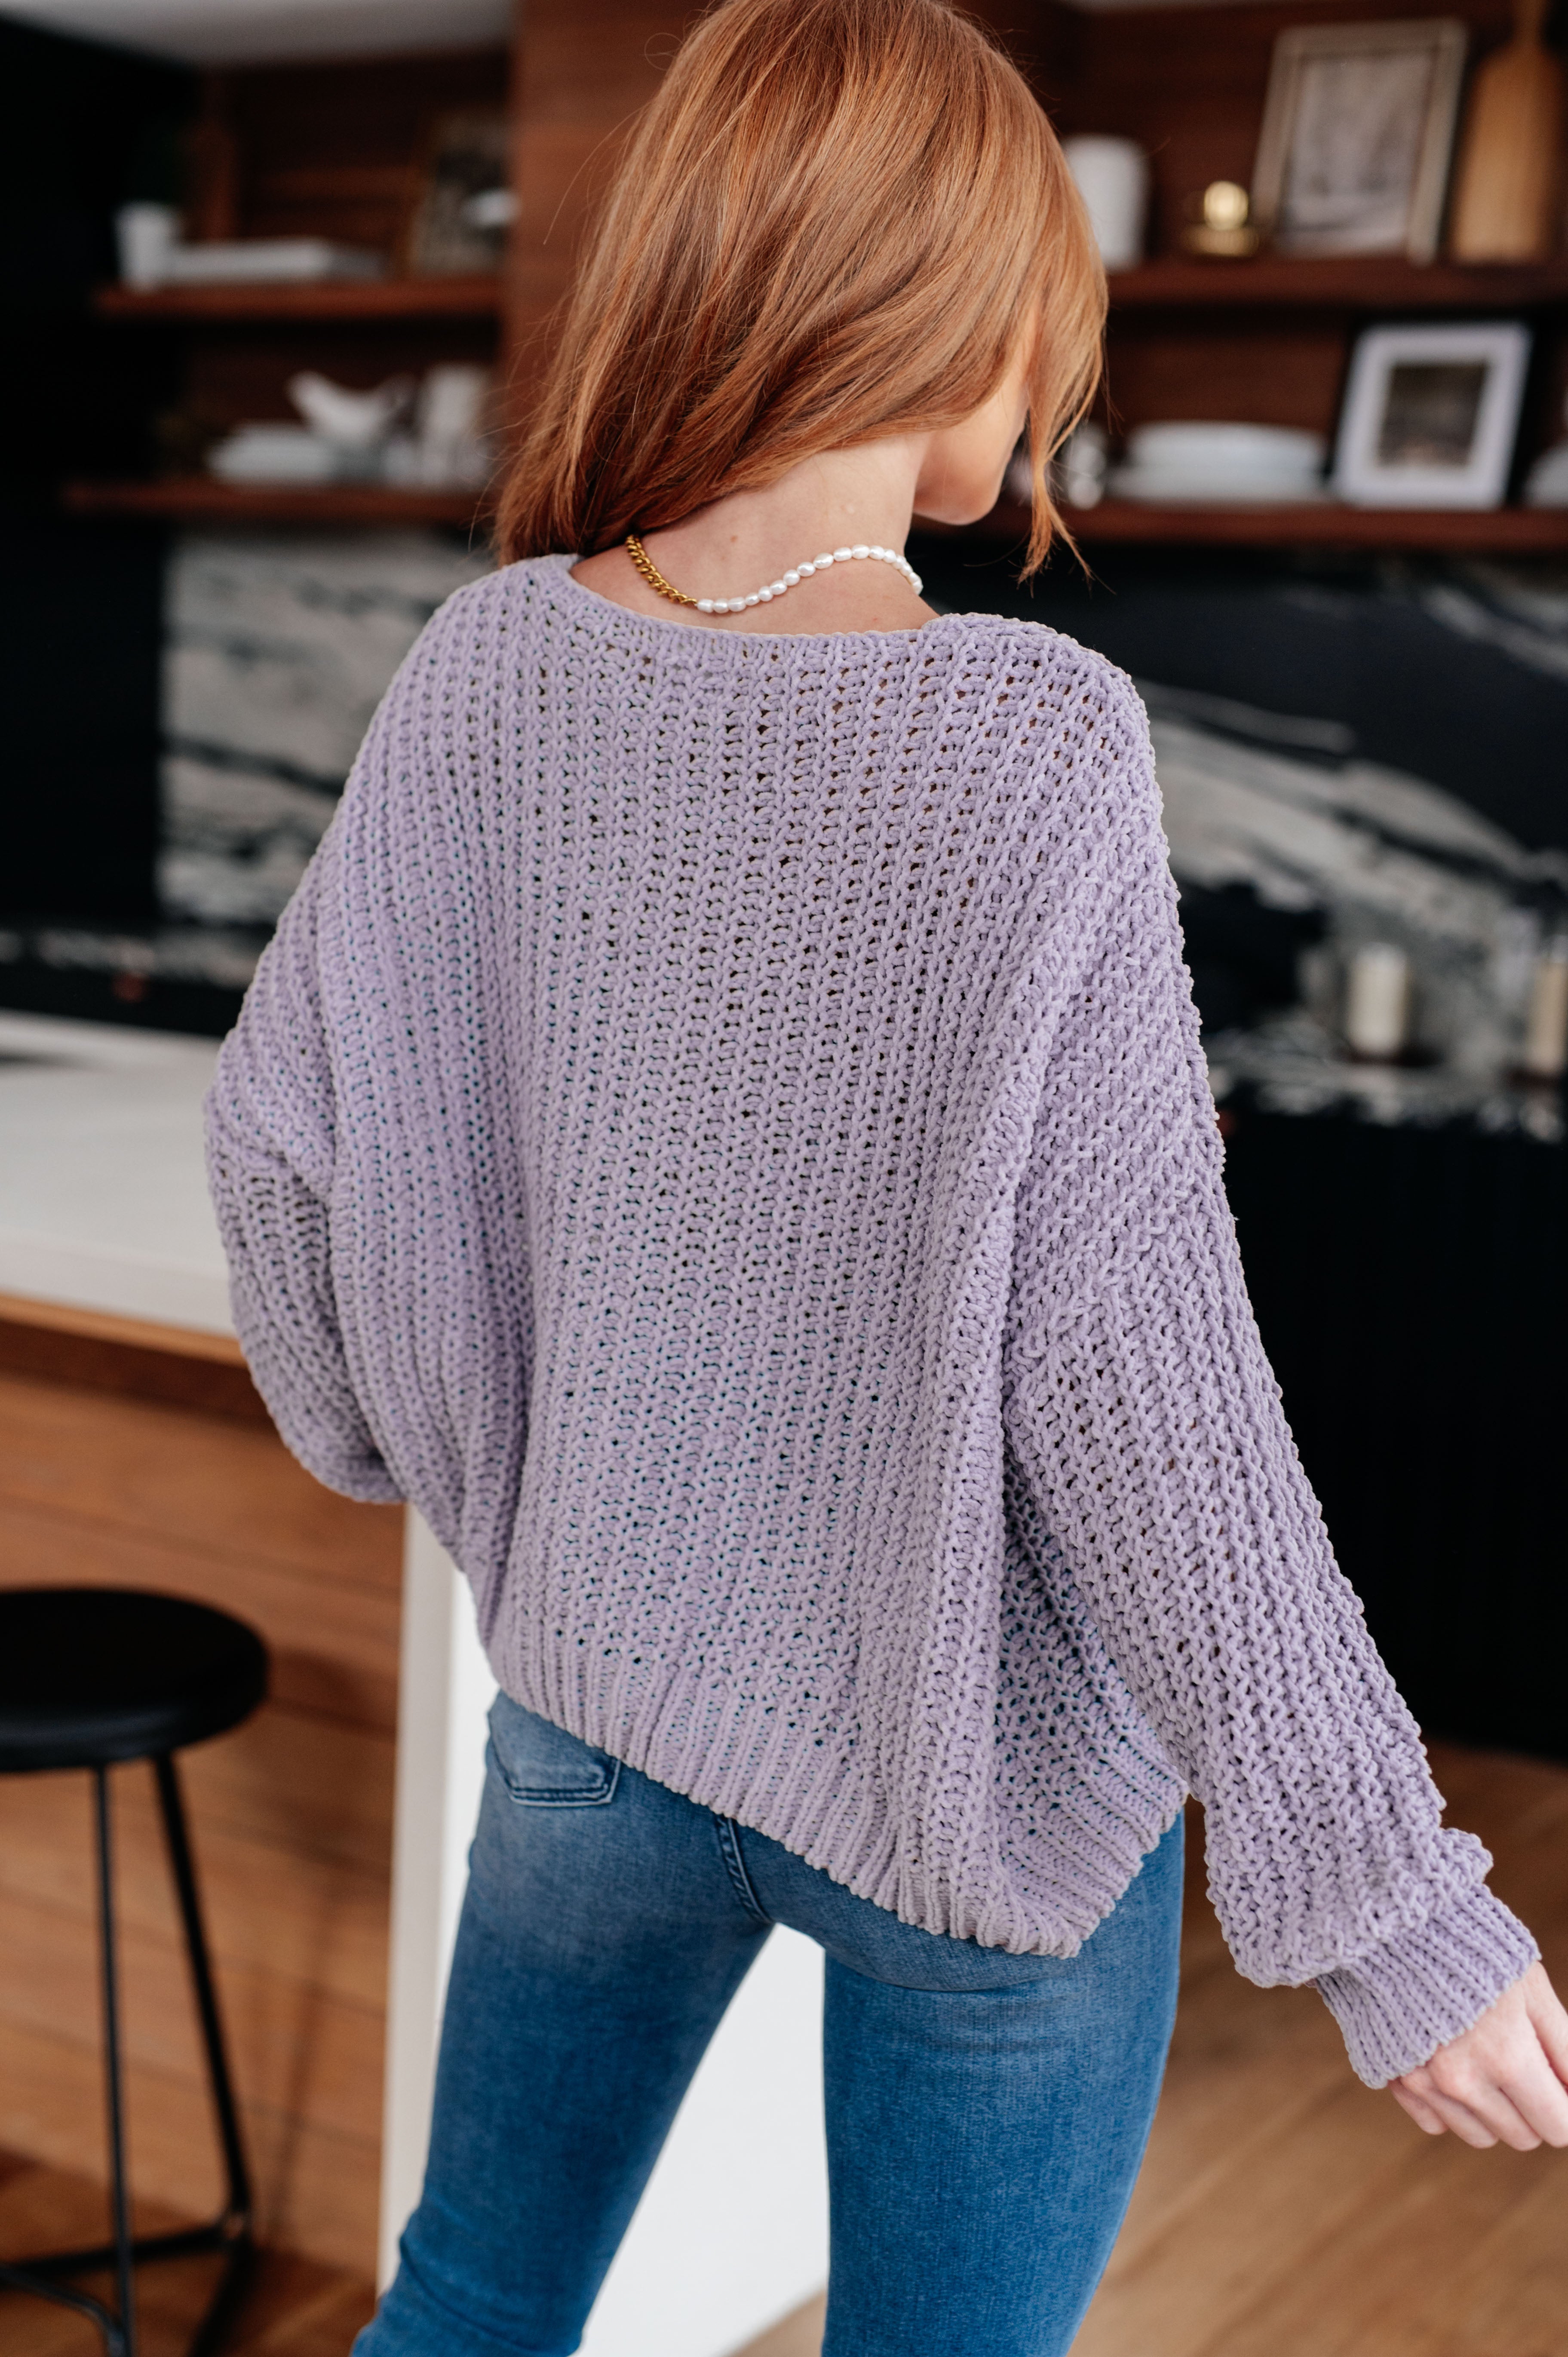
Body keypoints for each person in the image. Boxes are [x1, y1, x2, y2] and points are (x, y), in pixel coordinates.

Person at [205, 2, 1568, 2351]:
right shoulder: (1031, 737)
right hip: (981, 1798)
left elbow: (294, 1149)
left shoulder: (482, 670)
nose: (1051, 396)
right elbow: (1148, 1384)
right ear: (933, 304)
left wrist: (471, 1479)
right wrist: (1388, 1899)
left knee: (468, 2306)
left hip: (598, 1726)